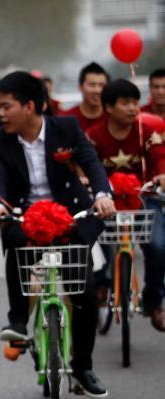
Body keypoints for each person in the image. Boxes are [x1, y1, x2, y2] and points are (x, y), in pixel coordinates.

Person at [0, 71, 114, 398]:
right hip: (24, 215)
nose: (0, 113)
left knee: (83, 295)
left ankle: (83, 367)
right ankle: (17, 320)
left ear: (30, 106)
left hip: (70, 215)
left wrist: (102, 193)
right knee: (12, 236)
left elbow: (91, 162)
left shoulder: (66, 128)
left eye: (6, 106)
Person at [87, 79, 165, 331]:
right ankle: (100, 283)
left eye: (135, 102)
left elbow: (160, 158)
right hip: (105, 203)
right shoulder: (94, 137)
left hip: (143, 200)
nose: (133, 108)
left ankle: (153, 301)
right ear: (108, 107)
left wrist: (162, 175)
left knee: (158, 247)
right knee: (91, 240)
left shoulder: (147, 133)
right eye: (125, 103)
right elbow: (86, 165)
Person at [62, 62, 109, 132]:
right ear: (80, 87)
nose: (97, 90)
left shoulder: (114, 118)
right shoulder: (66, 118)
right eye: (92, 85)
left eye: (101, 85)